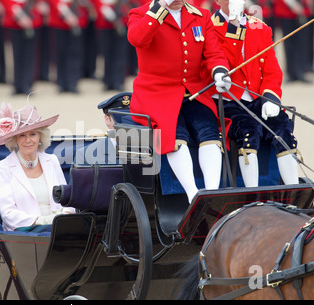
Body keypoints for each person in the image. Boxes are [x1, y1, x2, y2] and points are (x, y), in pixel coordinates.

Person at [127, 0, 232, 203]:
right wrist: (160, 8)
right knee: (175, 135)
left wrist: (219, 71)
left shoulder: (201, 15)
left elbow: (214, 53)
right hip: (156, 92)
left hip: (193, 90)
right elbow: (137, 38)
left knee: (209, 130)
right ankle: (193, 194)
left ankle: (212, 194)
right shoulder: (140, 13)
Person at [211, 0, 299, 187]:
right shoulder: (210, 27)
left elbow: (271, 69)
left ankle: (292, 190)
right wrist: (234, 26)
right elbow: (224, 61)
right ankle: (253, 195)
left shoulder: (260, 27)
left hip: (256, 97)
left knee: (284, 129)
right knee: (249, 131)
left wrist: (271, 97)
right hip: (228, 99)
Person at [0, 102, 75, 231]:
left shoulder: (51, 160)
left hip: (59, 230)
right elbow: (8, 215)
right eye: (22, 135)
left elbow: (67, 200)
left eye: (33, 134)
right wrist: (44, 221)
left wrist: (65, 216)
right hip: (25, 233)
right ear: (14, 140)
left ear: (40, 137)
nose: (28, 140)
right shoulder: (2, 167)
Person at [75, 92, 131, 165]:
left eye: (133, 117)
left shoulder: (150, 150)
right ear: (108, 120)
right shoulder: (86, 155)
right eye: (119, 118)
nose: (127, 122)